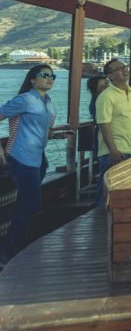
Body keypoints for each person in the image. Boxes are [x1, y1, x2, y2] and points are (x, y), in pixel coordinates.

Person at [0, 65, 58, 266]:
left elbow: (45, 130)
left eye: (52, 76)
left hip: (39, 158)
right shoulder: (24, 99)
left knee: (25, 203)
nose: (49, 78)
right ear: (32, 80)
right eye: (45, 75)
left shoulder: (49, 103)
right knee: (31, 203)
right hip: (22, 158)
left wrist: (56, 133)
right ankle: (8, 249)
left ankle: (16, 244)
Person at [95, 58, 131, 206]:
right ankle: (100, 221)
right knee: (108, 192)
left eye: (125, 66)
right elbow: (104, 124)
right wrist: (113, 150)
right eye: (119, 69)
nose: (125, 69)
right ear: (109, 76)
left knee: (126, 190)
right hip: (114, 151)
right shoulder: (106, 96)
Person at [84, 75, 109, 166]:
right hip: (105, 142)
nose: (108, 87)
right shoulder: (98, 103)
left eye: (107, 84)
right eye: (104, 86)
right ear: (97, 90)